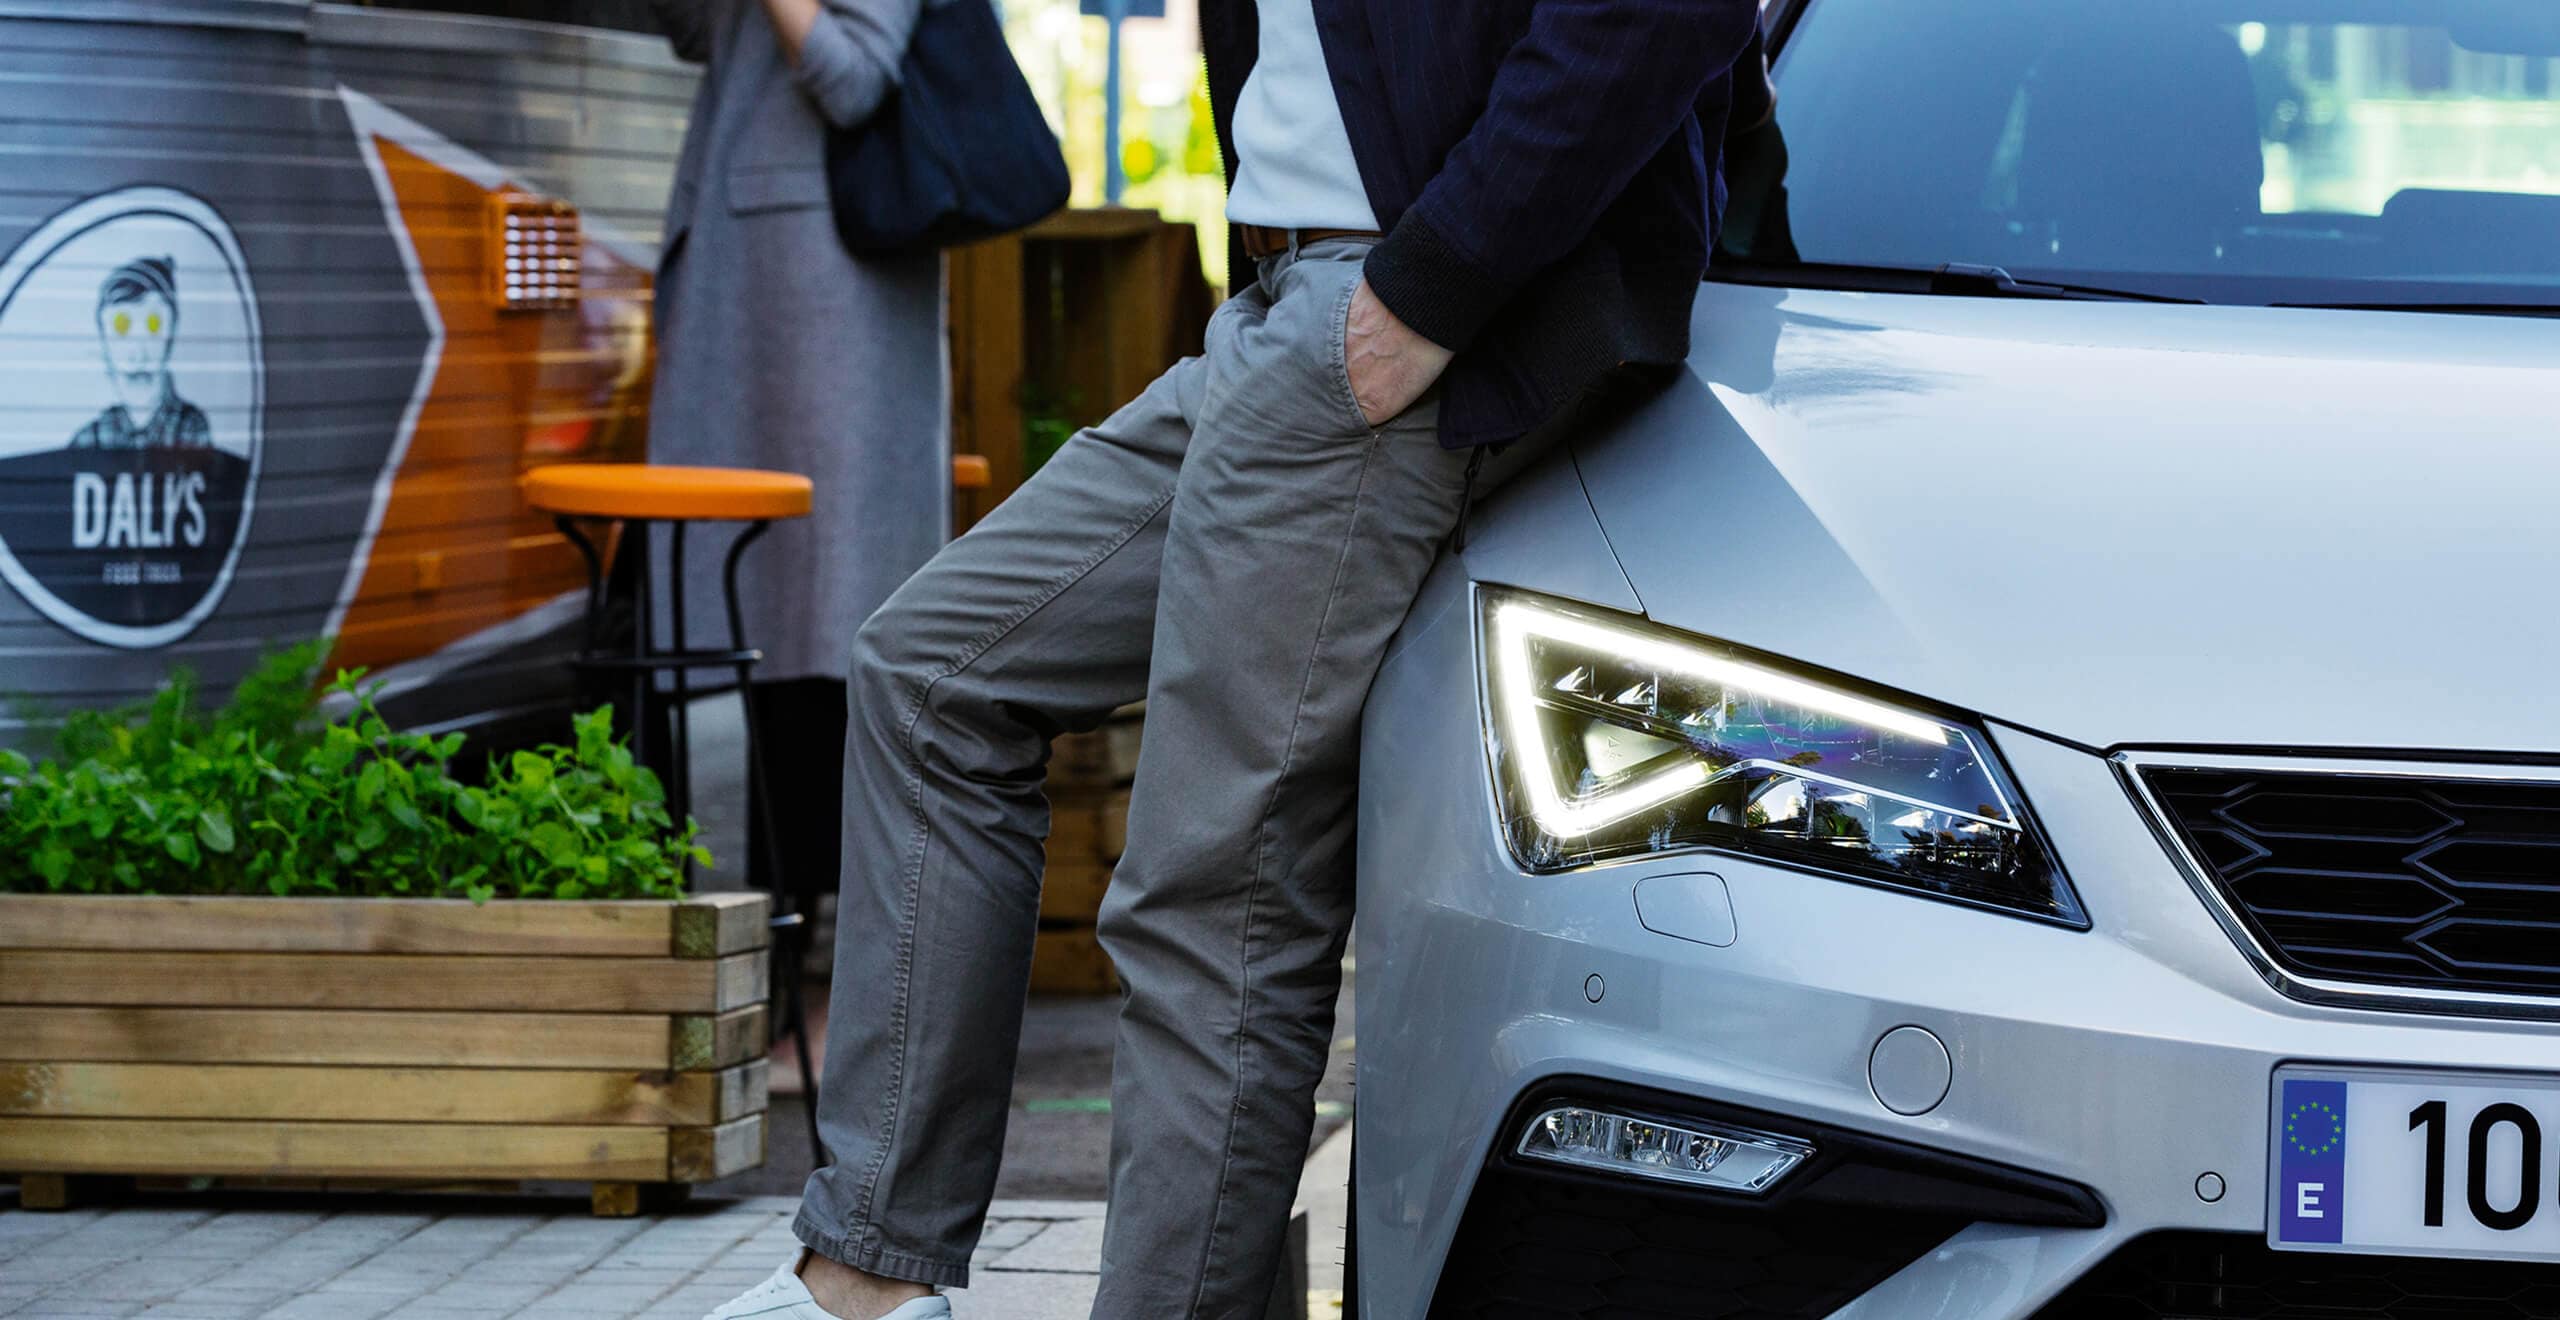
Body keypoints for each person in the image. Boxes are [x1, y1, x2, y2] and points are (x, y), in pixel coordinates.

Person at [706, 1, 1768, 1316]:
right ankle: (869, 1271)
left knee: (1215, 895)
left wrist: (1432, 286)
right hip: (1295, 310)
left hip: (1403, 298)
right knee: (934, 674)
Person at [645, 0, 949, 908]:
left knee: (826, 610)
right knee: (742, 601)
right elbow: (690, 31)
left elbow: (854, 77)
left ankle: (813, 960)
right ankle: (754, 943)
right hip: (748, 268)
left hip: (828, 292)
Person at [69, 256, 212, 451]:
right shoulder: (88, 440)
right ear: (104, 341)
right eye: (121, 328)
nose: (138, 354)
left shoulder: (191, 429)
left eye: (154, 326)